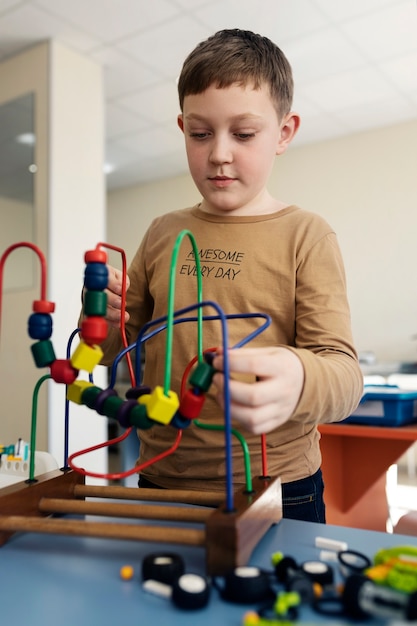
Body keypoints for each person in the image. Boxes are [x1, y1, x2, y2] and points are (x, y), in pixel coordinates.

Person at [86, 29, 363, 523]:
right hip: (161, 478)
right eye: (200, 133)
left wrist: (300, 377)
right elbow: (119, 348)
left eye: (243, 133)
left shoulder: (307, 235)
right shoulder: (162, 232)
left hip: (279, 486)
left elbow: (343, 376)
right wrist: (100, 322)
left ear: (284, 132)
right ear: (183, 128)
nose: (218, 153)